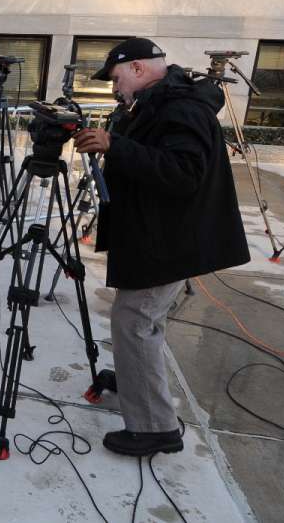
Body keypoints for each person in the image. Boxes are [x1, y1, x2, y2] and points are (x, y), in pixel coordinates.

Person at [72, 37, 250, 457]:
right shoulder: (158, 101)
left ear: (136, 69)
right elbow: (151, 154)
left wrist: (116, 145)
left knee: (135, 321)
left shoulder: (181, 107)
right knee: (141, 321)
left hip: (169, 241)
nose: (115, 89)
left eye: (116, 79)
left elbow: (183, 173)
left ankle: (155, 427)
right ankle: (137, 382)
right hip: (158, 235)